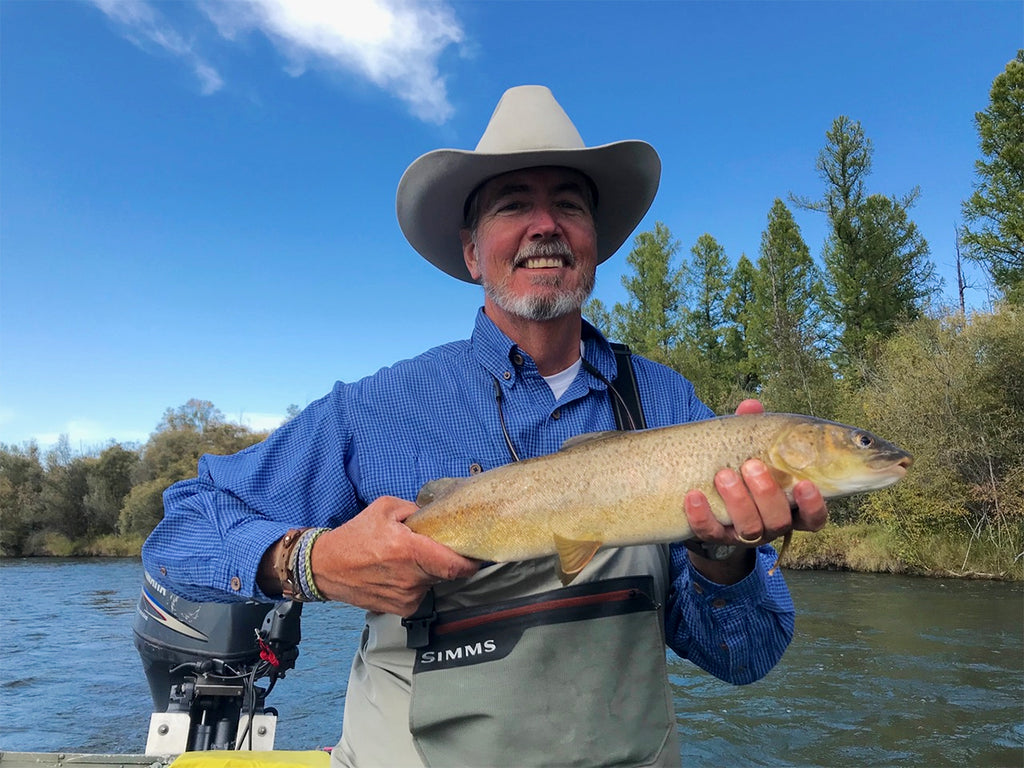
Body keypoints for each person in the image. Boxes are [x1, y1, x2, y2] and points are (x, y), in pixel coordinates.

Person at [143, 85, 827, 768]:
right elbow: (181, 532)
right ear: (472, 254)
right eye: (513, 205)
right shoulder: (376, 408)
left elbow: (746, 656)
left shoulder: (669, 405)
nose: (544, 225)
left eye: (568, 204)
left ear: (594, 243)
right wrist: (310, 563)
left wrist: (724, 556)